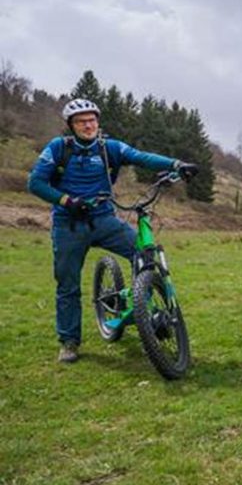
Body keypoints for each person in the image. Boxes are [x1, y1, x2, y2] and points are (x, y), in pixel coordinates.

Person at [27, 98, 198, 363]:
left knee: (144, 255)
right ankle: (69, 341)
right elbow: (35, 182)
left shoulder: (110, 148)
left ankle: (142, 309)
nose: (88, 125)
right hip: (69, 224)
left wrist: (176, 164)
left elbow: (141, 157)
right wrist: (66, 201)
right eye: (81, 121)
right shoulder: (59, 148)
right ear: (71, 125)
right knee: (68, 284)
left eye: (92, 120)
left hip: (104, 219)